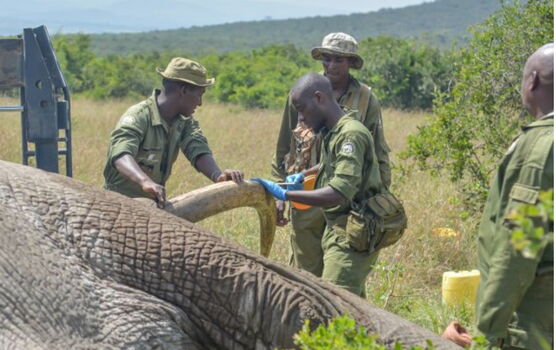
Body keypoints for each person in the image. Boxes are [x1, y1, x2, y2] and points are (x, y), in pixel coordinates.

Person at [442, 43, 554, 349]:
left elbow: (519, 250)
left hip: (533, 327)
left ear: (531, 81)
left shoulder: (541, 149)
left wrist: (486, 334)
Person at [270, 32, 392, 277]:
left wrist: (380, 197)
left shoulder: (366, 98)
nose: (331, 65)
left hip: (347, 197)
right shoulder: (302, 93)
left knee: (343, 273)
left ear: (350, 63)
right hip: (306, 192)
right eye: (326, 59)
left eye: (338, 60)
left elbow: (378, 150)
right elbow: (284, 145)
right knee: (306, 274)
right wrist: (279, 190)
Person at [254, 73, 385, 297]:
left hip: (355, 230)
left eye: (302, 109)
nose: (301, 119)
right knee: (349, 305)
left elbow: (338, 192)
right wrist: (303, 176)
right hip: (338, 227)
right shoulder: (332, 133)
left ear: (319, 98)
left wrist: (286, 195)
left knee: (334, 301)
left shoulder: (350, 136)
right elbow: (328, 165)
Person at [103, 57, 243, 207]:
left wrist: (218, 177)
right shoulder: (139, 116)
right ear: (183, 91)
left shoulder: (184, 122)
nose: (200, 103)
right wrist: (145, 182)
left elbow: (197, 148)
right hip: (116, 203)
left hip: (153, 204)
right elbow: (120, 154)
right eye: (199, 95)